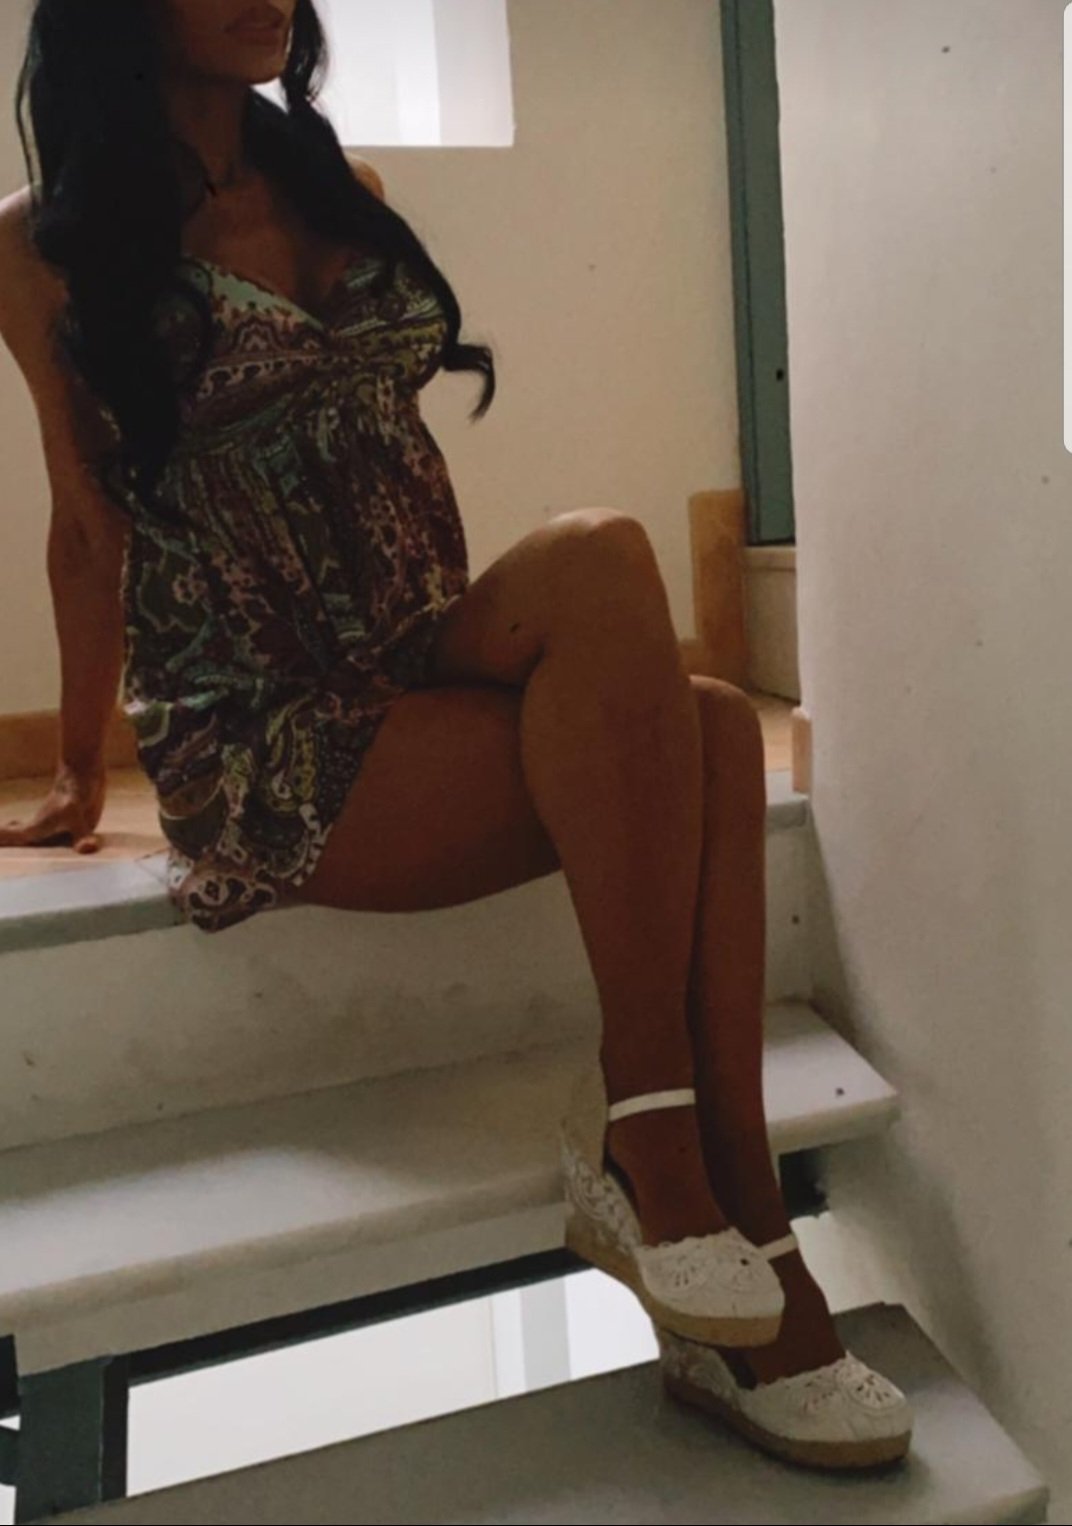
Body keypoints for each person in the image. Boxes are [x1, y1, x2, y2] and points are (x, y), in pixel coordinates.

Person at [0, 0, 911, 1472]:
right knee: (702, 740)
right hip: (265, 717)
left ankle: (704, 1174)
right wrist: (73, 761)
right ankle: (702, 1192)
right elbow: (83, 525)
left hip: (418, 638)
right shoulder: (42, 243)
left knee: (621, 583)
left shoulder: (333, 186)